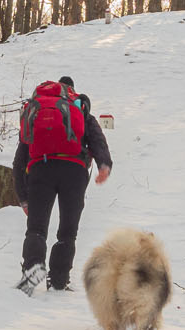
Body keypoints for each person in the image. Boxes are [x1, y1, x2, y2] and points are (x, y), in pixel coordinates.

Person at [12, 75, 112, 294]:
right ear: (72, 91)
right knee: (67, 232)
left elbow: (21, 158)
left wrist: (23, 197)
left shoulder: (36, 111)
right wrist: (104, 164)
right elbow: (97, 139)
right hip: (74, 172)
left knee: (36, 229)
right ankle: (58, 281)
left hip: (41, 168)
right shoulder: (80, 109)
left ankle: (32, 271)